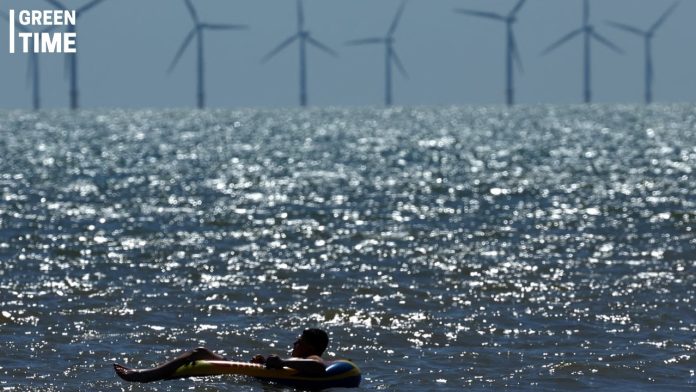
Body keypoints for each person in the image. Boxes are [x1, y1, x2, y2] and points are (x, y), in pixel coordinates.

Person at [113, 328, 329, 383]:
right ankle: (147, 374)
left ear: (309, 347)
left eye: (299, 341)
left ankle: (143, 376)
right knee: (202, 352)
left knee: (199, 353)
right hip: (254, 376)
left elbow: (318, 367)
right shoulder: (300, 359)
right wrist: (265, 363)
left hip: (253, 379)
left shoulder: (313, 359)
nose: (294, 343)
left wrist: (280, 362)